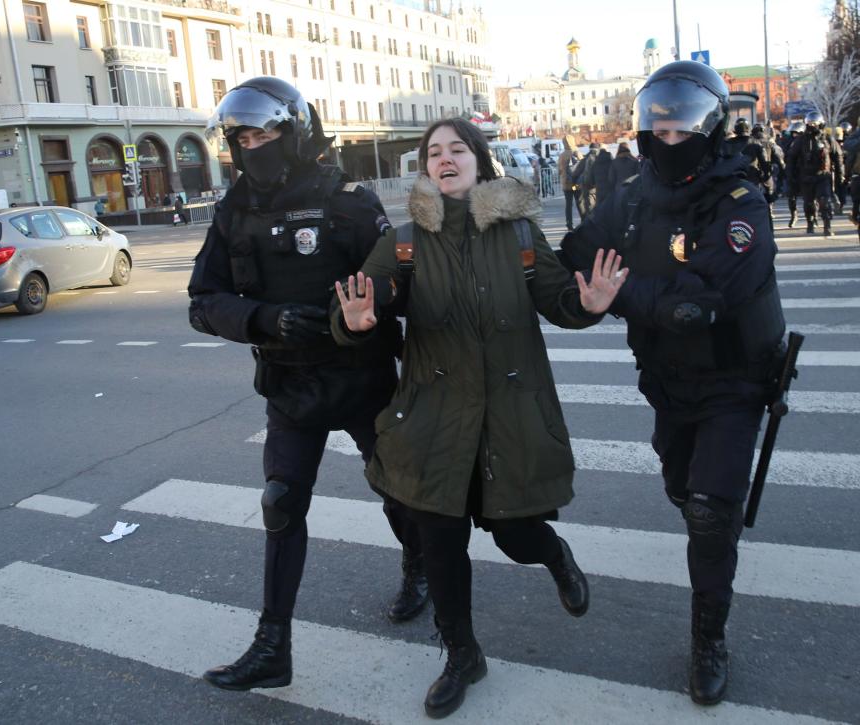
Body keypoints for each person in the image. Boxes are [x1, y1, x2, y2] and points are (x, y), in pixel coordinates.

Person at [331, 117, 628, 719]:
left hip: (507, 412)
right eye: (433, 152)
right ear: (426, 168)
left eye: (456, 149)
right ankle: (462, 654)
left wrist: (587, 304)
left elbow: (555, 299)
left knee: (515, 532)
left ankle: (554, 556)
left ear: (479, 160)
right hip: (436, 417)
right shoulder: (409, 237)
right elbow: (373, 293)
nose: (445, 158)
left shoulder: (517, 232)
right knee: (441, 542)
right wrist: (358, 320)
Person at [188, 77, 427, 692]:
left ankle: (419, 564)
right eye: (242, 137)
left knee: (396, 491)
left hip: (361, 377)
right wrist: (263, 319)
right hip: (289, 386)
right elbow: (202, 301)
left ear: (295, 132)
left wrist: (367, 310)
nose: (253, 145)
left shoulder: (347, 200)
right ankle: (273, 646)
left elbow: (399, 290)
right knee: (280, 503)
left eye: (264, 133)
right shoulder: (235, 210)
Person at [559, 60, 786, 707]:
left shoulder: (737, 199)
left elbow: (705, 299)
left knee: (711, 515)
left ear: (709, 126)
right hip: (668, 382)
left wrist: (621, 292)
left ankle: (708, 639)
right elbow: (578, 252)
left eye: (681, 121)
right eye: (658, 120)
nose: (668, 132)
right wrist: (514, 245)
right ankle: (706, 512)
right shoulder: (632, 196)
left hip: (732, 381)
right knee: (684, 492)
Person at [786, 111, 843, 236]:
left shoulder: (828, 139)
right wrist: (790, 176)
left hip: (823, 176)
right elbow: (791, 158)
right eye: (811, 124)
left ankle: (827, 226)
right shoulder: (801, 140)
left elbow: (837, 156)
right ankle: (810, 223)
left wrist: (840, 175)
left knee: (824, 201)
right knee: (809, 203)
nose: (813, 126)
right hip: (806, 176)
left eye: (815, 123)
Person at [751, 124, 785, 219]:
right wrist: (781, 168)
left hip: (753, 173)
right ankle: (769, 210)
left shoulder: (750, 143)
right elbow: (778, 157)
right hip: (767, 172)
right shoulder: (769, 142)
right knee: (769, 193)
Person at [558, 135, 583, 230]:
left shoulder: (562, 155)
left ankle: (569, 224)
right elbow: (583, 166)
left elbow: (559, 170)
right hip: (576, 184)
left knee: (568, 204)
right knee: (579, 202)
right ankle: (583, 220)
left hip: (567, 184)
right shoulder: (577, 153)